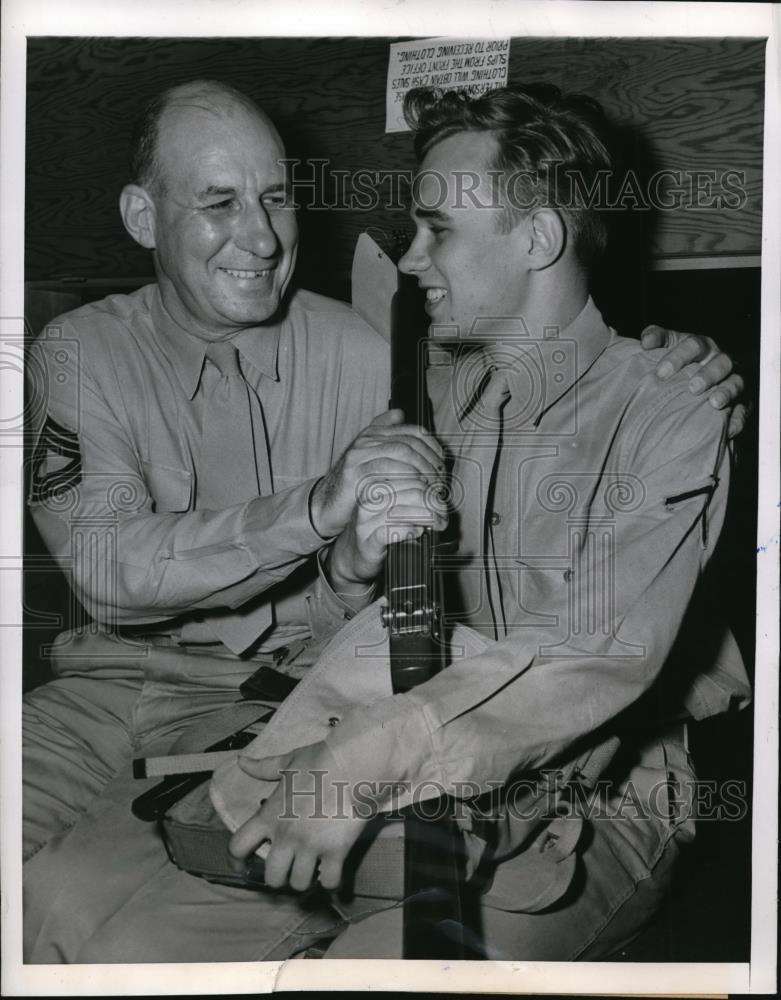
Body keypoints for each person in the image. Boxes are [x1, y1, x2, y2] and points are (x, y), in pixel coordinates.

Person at [23, 78, 746, 963]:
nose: (408, 259)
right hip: (376, 762)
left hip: (584, 803)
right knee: (108, 937)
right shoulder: (431, 395)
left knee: (380, 971)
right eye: (217, 201)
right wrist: (353, 564)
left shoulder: (665, 405)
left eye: (435, 230)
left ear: (538, 236)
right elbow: (339, 626)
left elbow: (594, 653)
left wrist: (367, 757)